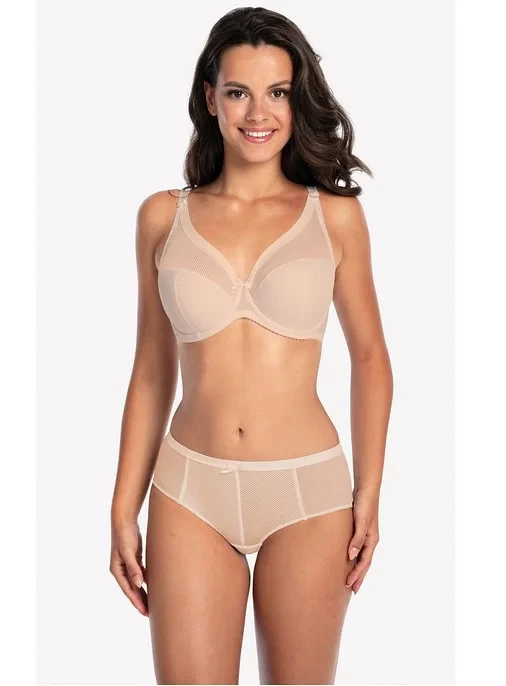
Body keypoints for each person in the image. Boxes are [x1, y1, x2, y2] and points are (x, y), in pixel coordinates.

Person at [109, 6, 393, 685]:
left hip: (309, 493)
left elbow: (370, 358)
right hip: (189, 490)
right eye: (238, 91)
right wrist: (122, 505)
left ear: (297, 101)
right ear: (210, 98)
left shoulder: (334, 216)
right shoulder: (162, 217)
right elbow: (152, 372)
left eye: (278, 92)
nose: (258, 112)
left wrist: (370, 492)